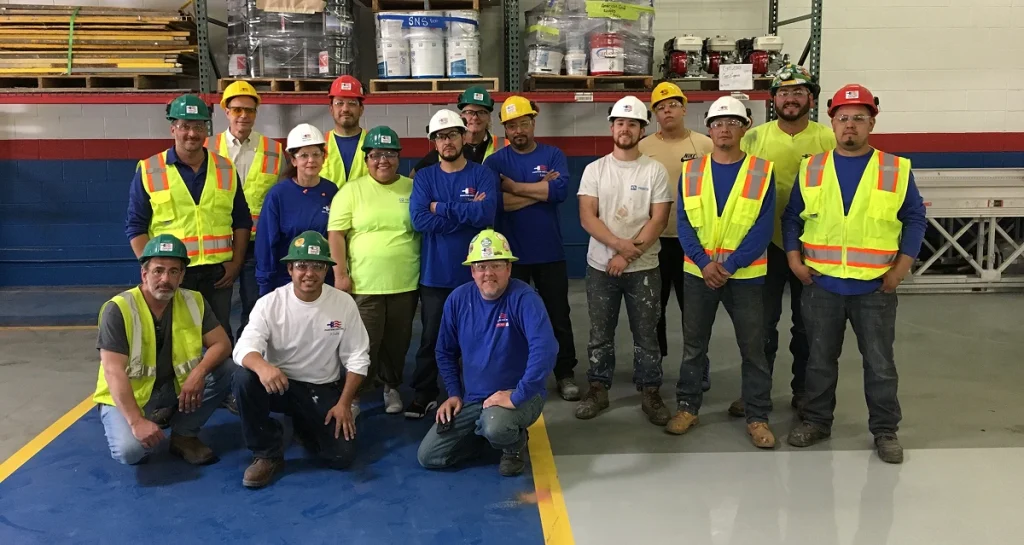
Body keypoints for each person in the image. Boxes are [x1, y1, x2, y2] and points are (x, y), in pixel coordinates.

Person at [783, 84, 926, 464]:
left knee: (879, 363)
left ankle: (885, 430)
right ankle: (816, 421)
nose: (850, 126)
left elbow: (914, 218)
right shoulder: (812, 167)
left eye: (859, 119)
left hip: (875, 287)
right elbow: (792, 217)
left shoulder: (894, 168)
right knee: (818, 359)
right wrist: (795, 260)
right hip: (822, 285)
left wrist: (901, 269)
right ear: (831, 123)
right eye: (843, 118)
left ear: (872, 124)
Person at [728, 63, 838, 418]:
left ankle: (804, 391)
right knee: (760, 326)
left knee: (808, 326)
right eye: (783, 93)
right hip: (766, 246)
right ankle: (755, 393)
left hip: (814, 249)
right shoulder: (754, 139)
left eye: (798, 92)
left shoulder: (828, 139)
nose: (790, 99)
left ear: (811, 97)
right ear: (773, 99)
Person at [667, 97, 778, 448]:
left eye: (732, 122)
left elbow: (763, 227)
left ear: (745, 127)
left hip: (744, 277)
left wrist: (728, 266)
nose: (724, 128)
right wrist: (703, 263)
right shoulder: (692, 170)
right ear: (709, 128)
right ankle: (687, 406)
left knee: (753, 348)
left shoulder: (762, 170)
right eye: (717, 123)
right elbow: (683, 223)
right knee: (693, 346)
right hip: (698, 274)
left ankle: (757, 416)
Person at [232, 231, 371, 488]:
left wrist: (344, 403)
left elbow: (357, 357)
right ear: (290, 269)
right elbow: (243, 348)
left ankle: (304, 427)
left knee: (342, 457)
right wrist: (264, 367)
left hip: (320, 387)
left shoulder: (343, 304)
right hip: (278, 384)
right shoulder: (270, 303)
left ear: (327, 269)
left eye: (318, 266)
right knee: (244, 377)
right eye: (302, 265)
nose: (309, 273)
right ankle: (267, 453)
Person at [417, 228, 556, 476]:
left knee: (496, 425)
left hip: (521, 395)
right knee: (430, 456)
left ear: (509, 268)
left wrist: (518, 396)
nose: (488, 273)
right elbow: (444, 351)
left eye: (496, 265)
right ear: (472, 271)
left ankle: (512, 446)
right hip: (474, 399)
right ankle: (490, 436)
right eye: (481, 266)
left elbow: (545, 349)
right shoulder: (458, 300)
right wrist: (453, 393)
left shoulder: (524, 298)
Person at [574, 96, 672, 425]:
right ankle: (598, 388)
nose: (625, 128)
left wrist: (629, 254)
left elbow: (658, 219)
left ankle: (650, 390)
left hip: (644, 268)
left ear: (642, 129)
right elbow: (588, 217)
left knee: (647, 334)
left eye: (632, 123)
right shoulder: (595, 170)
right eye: (620, 123)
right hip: (601, 267)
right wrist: (619, 248)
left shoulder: (654, 170)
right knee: (600, 333)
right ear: (612, 127)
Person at [94, 234, 232, 465]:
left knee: (228, 368)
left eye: (174, 271)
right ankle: (139, 422)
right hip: (134, 394)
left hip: (175, 388)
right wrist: (136, 421)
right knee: (131, 452)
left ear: (182, 276)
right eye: (158, 270)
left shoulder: (193, 300)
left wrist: (198, 374)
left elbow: (223, 344)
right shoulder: (118, 308)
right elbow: (113, 371)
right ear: (144, 274)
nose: (165, 279)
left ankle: (184, 434)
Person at [125, 94, 252, 341]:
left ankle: (217, 381)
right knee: (172, 337)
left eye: (198, 126)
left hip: (217, 275)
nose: (191, 133)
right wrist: (152, 270)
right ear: (173, 128)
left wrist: (236, 263)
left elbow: (241, 221)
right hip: (171, 274)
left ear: (206, 129)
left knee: (218, 338)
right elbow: (136, 226)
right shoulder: (150, 169)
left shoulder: (225, 168)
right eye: (184, 126)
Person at [484, 95, 579, 401]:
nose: (518, 130)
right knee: (511, 319)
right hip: (510, 258)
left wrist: (513, 187)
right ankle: (515, 375)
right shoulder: (494, 162)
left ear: (533, 123)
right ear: (505, 130)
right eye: (512, 126)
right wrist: (540, 192)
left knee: (557, 316)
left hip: (550, 252)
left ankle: (565, 373)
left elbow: (560, 191)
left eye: (523, 123)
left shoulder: (553, 155)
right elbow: (495, 205)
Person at [408, 109, 499, 419]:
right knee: (432, 337)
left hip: (474, 274)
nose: (446, 141)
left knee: (477, 335)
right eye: (439, 137)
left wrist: (441, 208)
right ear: (433, 143)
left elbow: (485, 216)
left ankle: (476, 391)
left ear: (463, 136)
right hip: (435, 275)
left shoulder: (481, 173)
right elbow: (420, 220)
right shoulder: (424, 176)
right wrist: (463, 213)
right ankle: (424, 392)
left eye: (451, 135)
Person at [327, 126, 420, 415]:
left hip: (405, 282)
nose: (383, 160)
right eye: (376, 154)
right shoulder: (351, 191)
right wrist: (340, 274)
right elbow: (336, 234)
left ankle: (391, 386)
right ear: (366, 159)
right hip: (364, 285)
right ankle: (355, 395)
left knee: (398, 341)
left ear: (398, 158)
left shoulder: (412, 188)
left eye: (390, 154)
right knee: (363, 344)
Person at [637, 82, 714, 391]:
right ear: (654, 113)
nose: (666, 110)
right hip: (655, 241)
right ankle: (652, 367)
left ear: (684, 108)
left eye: (672, 104)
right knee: (652, 310)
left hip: (692, 242)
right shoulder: (642, 147)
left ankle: (698, 367)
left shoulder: (705, 144)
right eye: (660, 106)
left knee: (694, 312)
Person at [205, 81, 285, 338]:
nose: (243, 115)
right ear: (226, 111)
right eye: (237, 109)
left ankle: (247, 354)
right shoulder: (207, 148)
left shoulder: (274, 150)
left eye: (249, 110)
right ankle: (222, 357)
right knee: (216, 309)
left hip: (257, 242)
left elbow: (280, 195)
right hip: (219, 242)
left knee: (255, 305)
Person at [254, 123, 338, 296]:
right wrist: (265, 286)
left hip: (324, 282)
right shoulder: (278, 195)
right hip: (286, 283)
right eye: (304, 155)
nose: (311, 160)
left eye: (316, 154)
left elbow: (337, 238)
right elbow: (266, 244)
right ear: (293, 160)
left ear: (324, 157)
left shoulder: (331, 191)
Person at [411, 86, 503, 177]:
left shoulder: (501, 146)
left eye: (482, 112)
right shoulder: (447, 147)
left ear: (489, 117)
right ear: (461, 117)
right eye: (469, 112)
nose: (475, 117)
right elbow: (413, 177)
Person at [321, 75, 369, 188]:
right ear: (331, 109)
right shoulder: (319, 145)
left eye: (352, 103)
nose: (345, 109)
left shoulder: (373, 144)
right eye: (339, 103)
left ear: (361, 109)